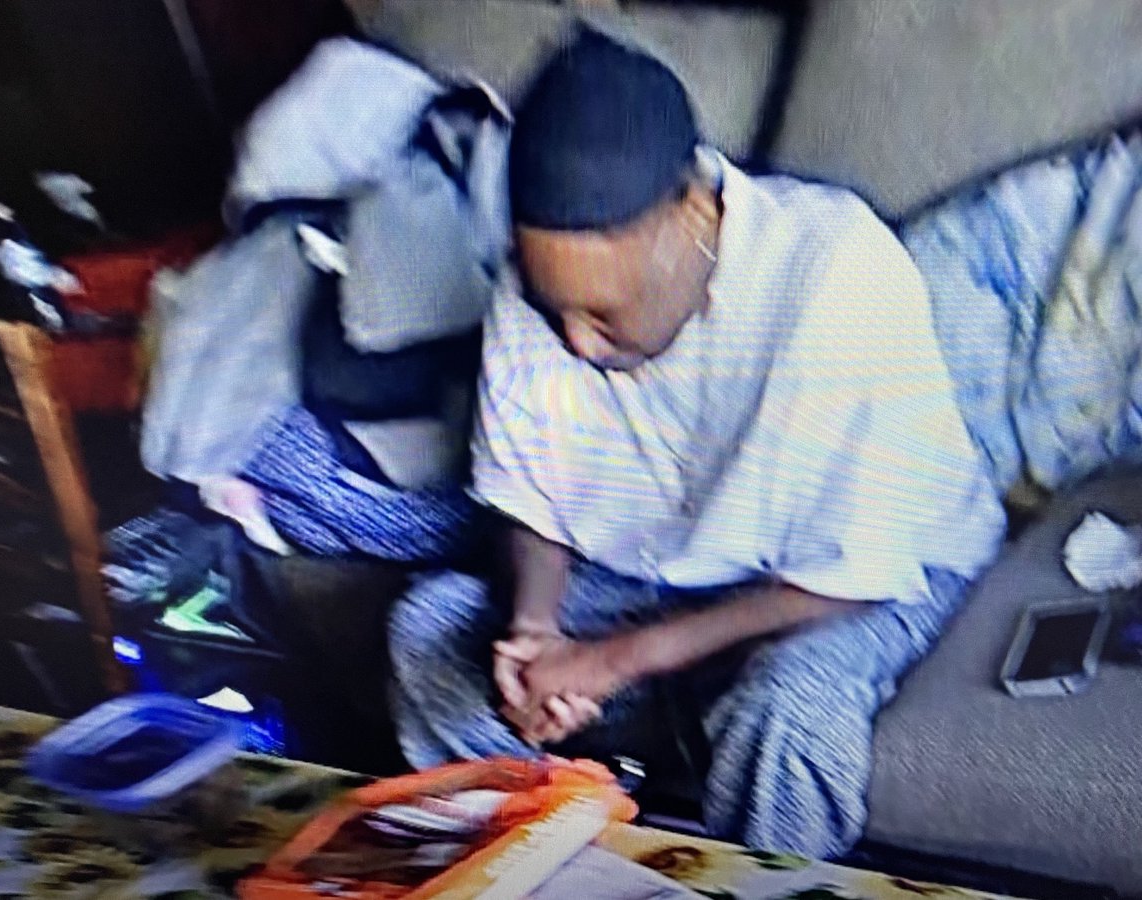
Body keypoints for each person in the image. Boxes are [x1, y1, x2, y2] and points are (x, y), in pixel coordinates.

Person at [388, 28, 1005, 859]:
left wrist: (615, 661)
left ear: (692, 213)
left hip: (875, 578)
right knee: (429, 632)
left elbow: (851, 575)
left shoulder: (835, 272)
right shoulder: (536, 289)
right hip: (667, 581)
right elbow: (530, 495)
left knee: (788, 713)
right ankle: (541, 870)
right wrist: (536, 633)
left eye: (605, 314)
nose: (578, 343)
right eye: (556, 311)